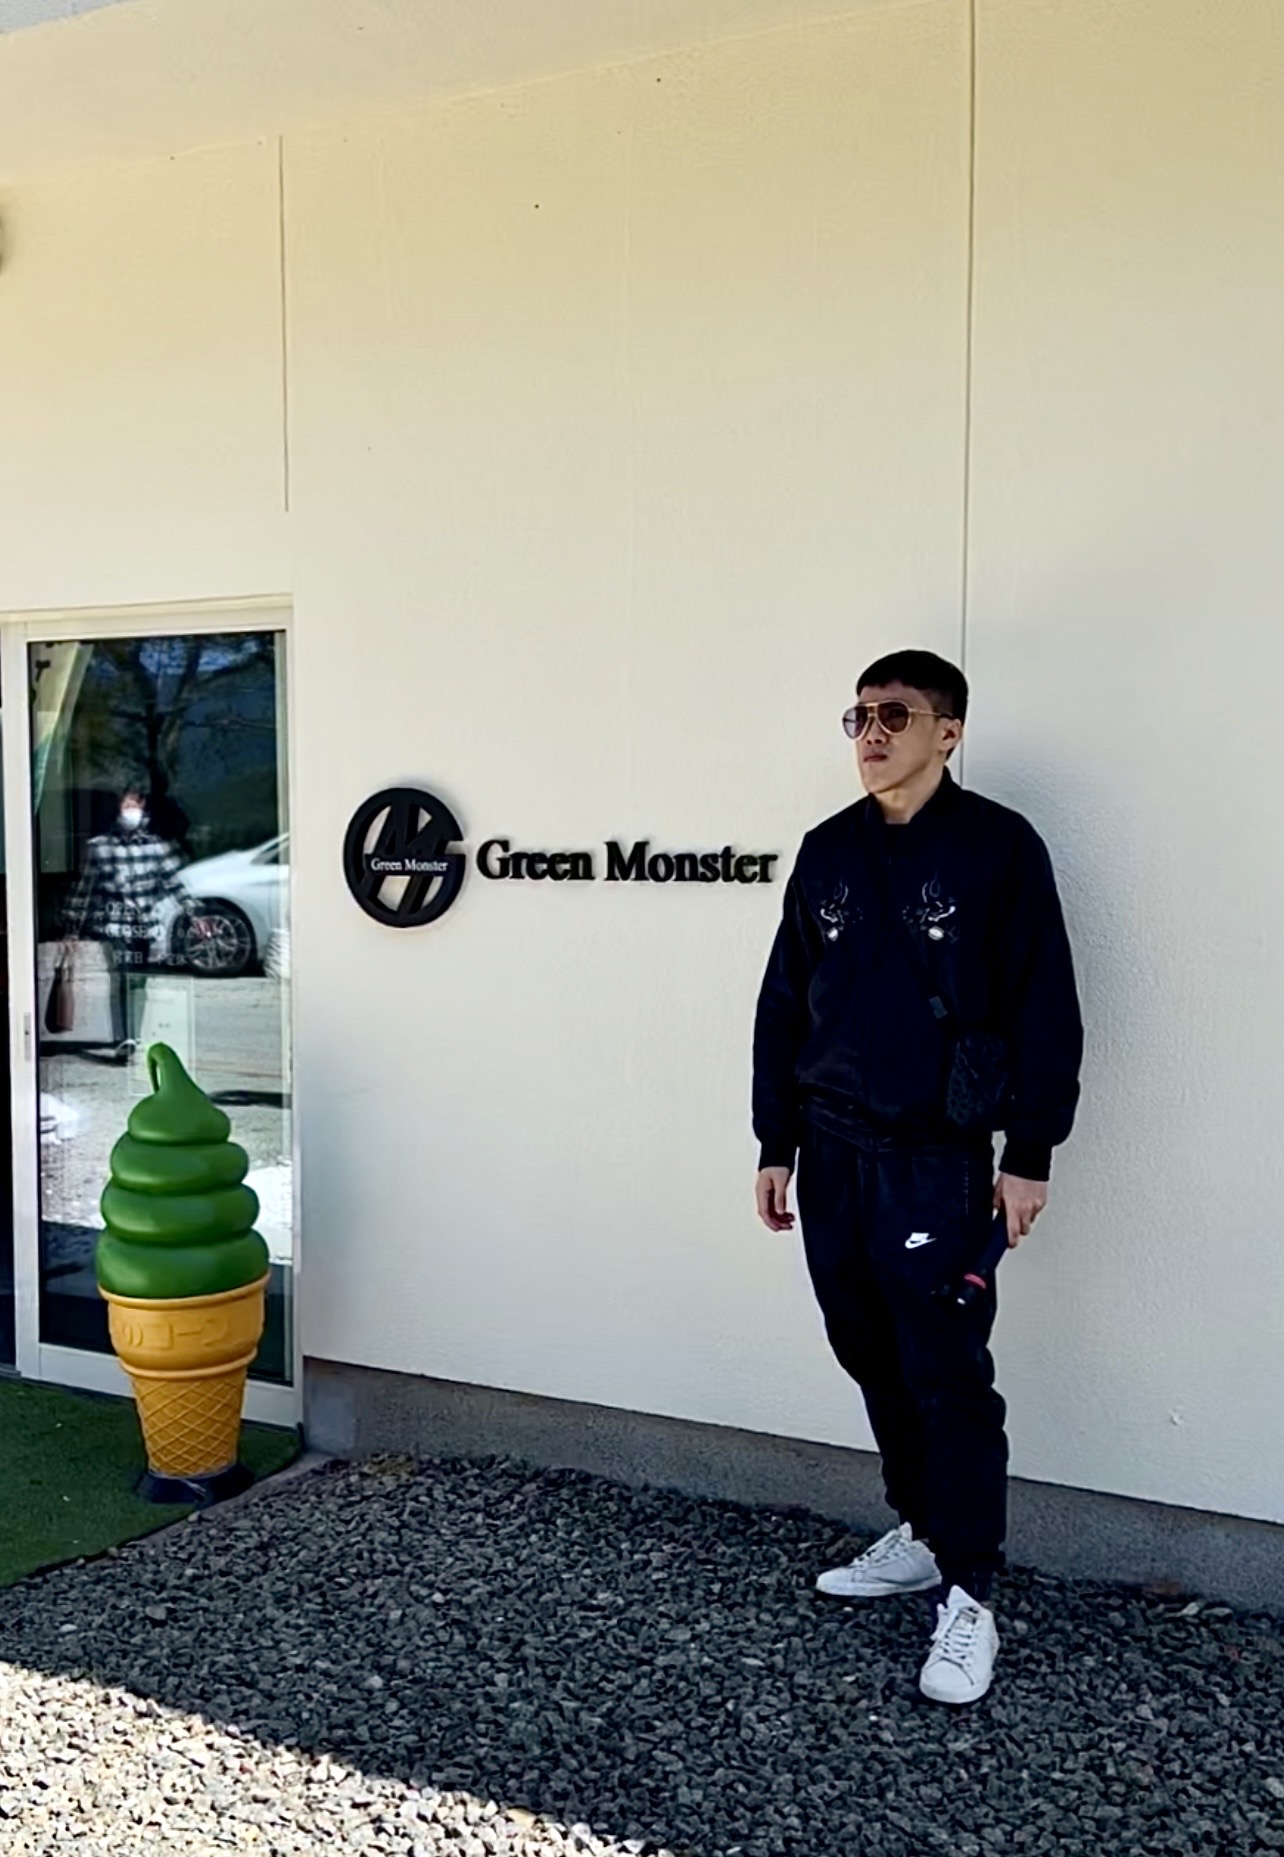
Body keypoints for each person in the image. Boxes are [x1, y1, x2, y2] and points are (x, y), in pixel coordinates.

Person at [752, 649, 1082, 1706]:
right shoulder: (828, 852)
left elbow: (1045, 1004)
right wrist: (774, 1142)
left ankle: (970, 1591)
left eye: (895, 715)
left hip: (935, 1157)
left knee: (946, 1369)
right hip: (830, 1151)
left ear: (949, 732)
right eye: (858, 716)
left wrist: (1029, 1153)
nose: (872, 735)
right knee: (865, 1346)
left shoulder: (997, 849)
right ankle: (924, 1531)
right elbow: (784, 1003)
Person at [62, 779, 193, 1063]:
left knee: (139, 982)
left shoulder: (155, 847)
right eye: (126, 803)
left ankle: (135, 1033)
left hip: (146, 925)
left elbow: (174, 882)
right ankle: (125, 1037)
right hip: (115, 924)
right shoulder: (100, 848)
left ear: (143, 807)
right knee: (121, 979)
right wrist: (72, 929)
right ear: (119, 807)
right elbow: (84, 889)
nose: (131, 809)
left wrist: (194, 912)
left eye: (135, 803)